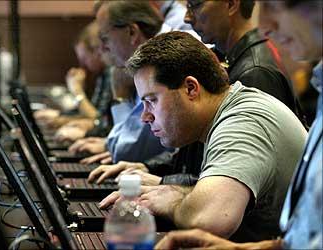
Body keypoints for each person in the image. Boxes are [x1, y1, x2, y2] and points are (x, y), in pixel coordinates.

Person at [100, 31, 307, 242]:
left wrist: (171, 202)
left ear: (191, 88)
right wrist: (175, 193)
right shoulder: (231, 112)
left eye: (152, 100)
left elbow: (211, 220)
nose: (145, 116)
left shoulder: (243, 121)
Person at [155, 0, 322, 249]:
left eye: (275, 6)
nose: (264, 25)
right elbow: (307, 237)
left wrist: (170, 194)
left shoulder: (255, 73)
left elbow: (213, 216)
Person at [69, 1, 170, 164]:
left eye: (104, 37)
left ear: (132, 32)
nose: (102, 48)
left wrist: (120, 96)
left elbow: (126, 151)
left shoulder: (161, 59)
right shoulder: (141, 61)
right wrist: (109, 144)